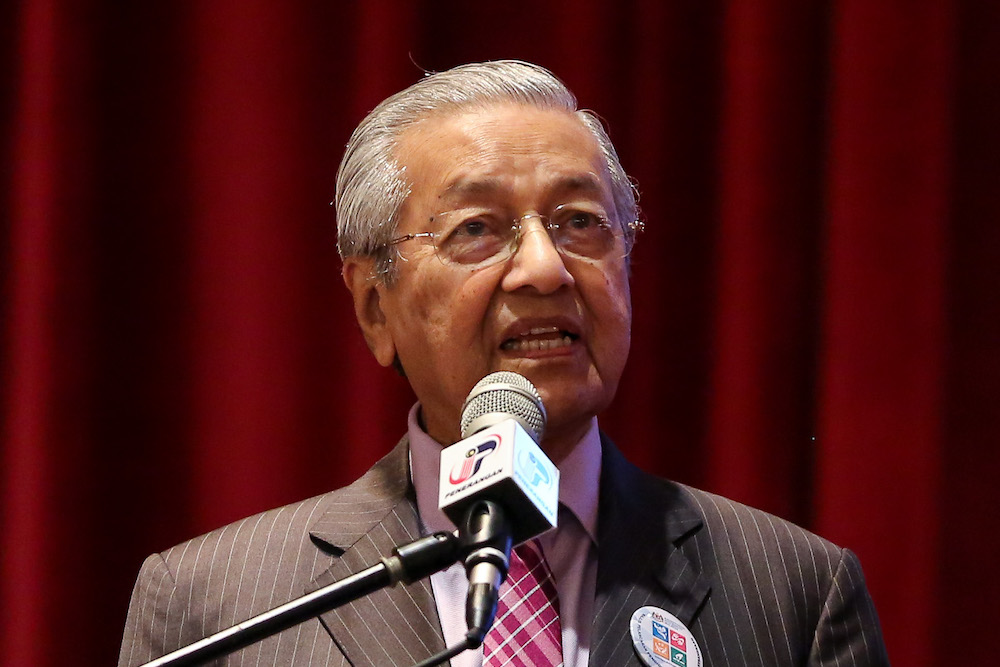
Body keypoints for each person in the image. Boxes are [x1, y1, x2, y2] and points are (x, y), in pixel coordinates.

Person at [118, 60, 888, 667]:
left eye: (581, 222)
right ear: (374, 308)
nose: (546, 268)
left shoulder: (793, 593)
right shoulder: (214, 605)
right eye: (478, 228)